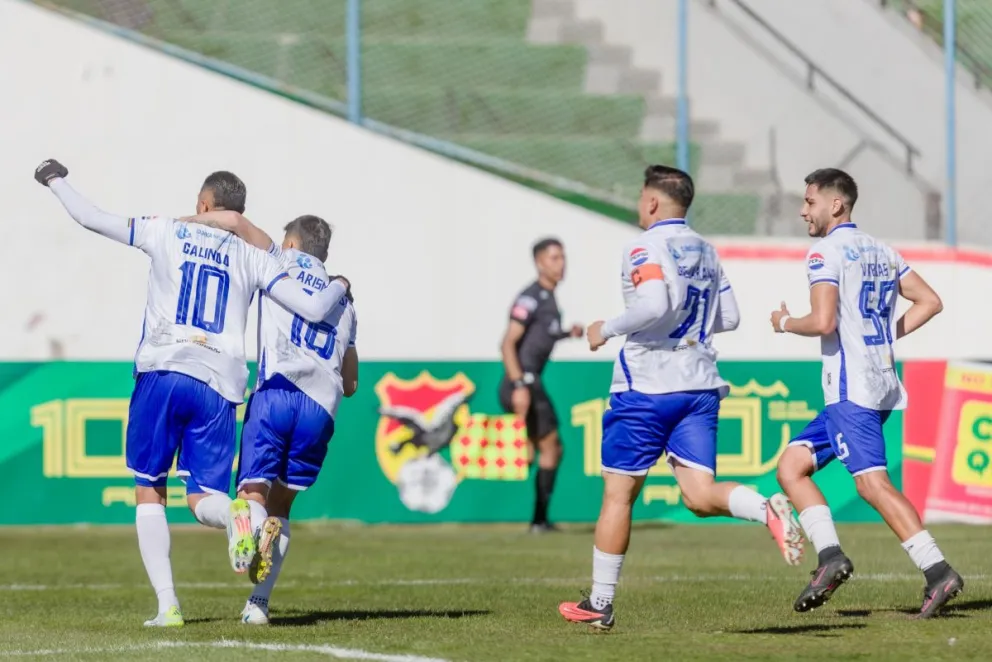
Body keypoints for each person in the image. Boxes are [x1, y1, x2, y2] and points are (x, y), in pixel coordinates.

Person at [34, 159, 349, 627]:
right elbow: (309, 303)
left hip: (164, 368)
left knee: (150, 489)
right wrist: (340, 285)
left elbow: (92, 217)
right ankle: (238, 514)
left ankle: (168, 606)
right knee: (203, 499)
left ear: (203, 204)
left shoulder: (165, 230)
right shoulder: (254, 256)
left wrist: (55, 181)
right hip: (221, 385)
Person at [558, 165, 804, 631]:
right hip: (700, 383)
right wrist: (687, 334)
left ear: (652, 202)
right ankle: (764, 507)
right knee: (697, 495)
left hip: (648, 386)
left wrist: (604, 329)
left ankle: (600, 603)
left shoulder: (645, 245)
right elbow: (728, 316)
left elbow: (654, 304)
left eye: (639, 197)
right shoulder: (706, 251)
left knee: (618, 495)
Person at [771, 168, 961, 618]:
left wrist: (783, 322)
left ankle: (937, 570)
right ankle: (830, 557)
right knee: (791, 466)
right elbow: (930, 301)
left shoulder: (824, 253)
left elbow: (823, 322)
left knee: (873, 484)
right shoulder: (881, 250)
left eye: (810, 201)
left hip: (850, 387)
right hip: (878, 380)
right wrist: (884, 336)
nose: (804, 210)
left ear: (836, 205)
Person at [184, 209, 358, 625]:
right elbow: (350, 382)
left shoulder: (278, 260)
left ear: (294, 244)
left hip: (277, 390)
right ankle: (258, 604)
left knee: (252, 495)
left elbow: (234, 222)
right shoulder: (344, 299)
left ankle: (249, 526)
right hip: (320, 407)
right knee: (283, 504)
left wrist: (185, 221)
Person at [499, 238, 583, 533]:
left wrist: (564, 333)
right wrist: (519, 384)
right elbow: (508, 344)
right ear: (539, 263)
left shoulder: (548, 298)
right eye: (554, 258)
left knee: (550, 449)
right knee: (550, 449)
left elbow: (538, 336)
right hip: (524, 381)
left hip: (530, 381)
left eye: (562, 257)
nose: (561, 263)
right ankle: (538, 521)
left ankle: (539, 520)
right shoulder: (530, 298)